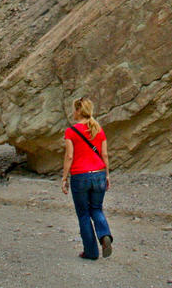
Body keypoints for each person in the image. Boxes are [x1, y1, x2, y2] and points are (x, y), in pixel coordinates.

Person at [61, 97, 113, 260]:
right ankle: (104, 234)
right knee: (96, 208)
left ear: (78, 110)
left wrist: (64, 178)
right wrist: (107, 174)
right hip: (98, 173)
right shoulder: (98, 129)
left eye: (74, 109)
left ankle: (90, 252)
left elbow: (69, 156)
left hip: (80, 175)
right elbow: (104, 153)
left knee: (83, 214)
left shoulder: (71, 131)